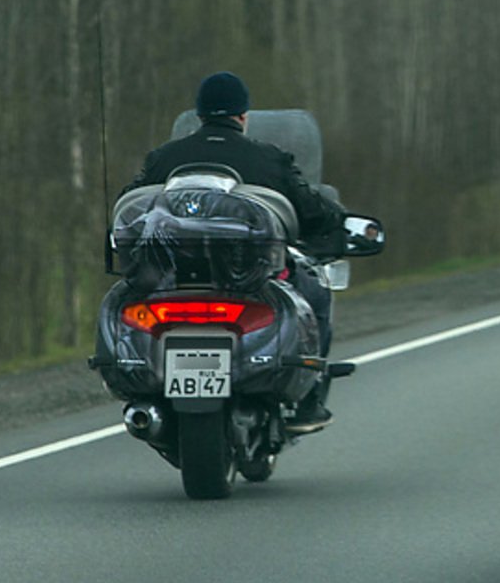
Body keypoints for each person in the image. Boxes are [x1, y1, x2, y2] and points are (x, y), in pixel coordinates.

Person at [123, 71, 345, 432]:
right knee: (317, 294)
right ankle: (310, 397)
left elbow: (129, 208)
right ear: (243, 115)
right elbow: (313, 212)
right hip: (252, 280)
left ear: (199, 115)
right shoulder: (269, 159)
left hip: (171, 280)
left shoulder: (163, 159)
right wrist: (334, 225)